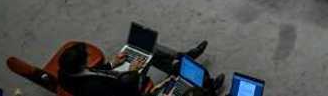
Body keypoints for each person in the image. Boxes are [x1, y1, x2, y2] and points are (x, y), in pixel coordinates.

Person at [57, 38, 220, 96]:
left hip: (116, 80)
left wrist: (113, 64)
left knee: (146, 46)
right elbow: (124, 91)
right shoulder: (93, 89)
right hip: (128, 86)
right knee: (183, 79)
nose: (90, 58)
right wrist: (132, 71)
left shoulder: (65, 73)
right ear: (82, 64)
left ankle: (181, 57)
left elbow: (93, 73)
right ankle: (209, 87)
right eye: (87, 58)